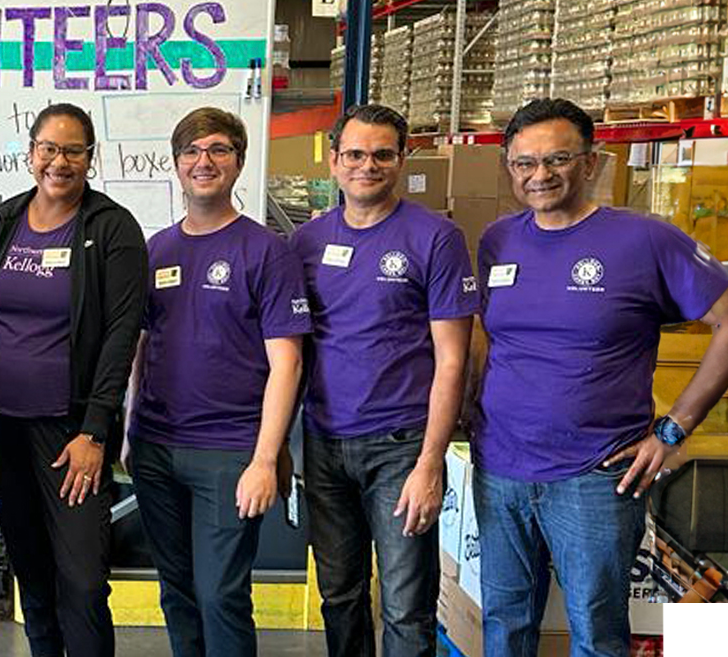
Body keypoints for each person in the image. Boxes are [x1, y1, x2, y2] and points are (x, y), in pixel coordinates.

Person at [474, 98, 728, 655]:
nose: (540, 175)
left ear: (591, 162)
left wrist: (673, 430)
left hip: (595, 475)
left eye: (557, 159)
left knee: (596, 633)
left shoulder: (645, 241)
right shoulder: (498, 241)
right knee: (504, 624)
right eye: (525, 163)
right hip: (500, 470)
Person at [0, 103, 148, 657]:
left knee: (82, 581)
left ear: (91, 157)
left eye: (73, 151)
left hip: (71, 433)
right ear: (30, 152)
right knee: (32, 573)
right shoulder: (1, 222)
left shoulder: (112, 230)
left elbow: (120, 334)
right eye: (49, 149)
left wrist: (95, 431)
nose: (60, 162)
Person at [289, 103, 479, 657]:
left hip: (400, 447)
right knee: (339, 595)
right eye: (354, 154)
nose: (366, 166)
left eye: (381, 155)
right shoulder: (305, 242)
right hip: (323, 444)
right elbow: (291, 351)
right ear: (333, 161)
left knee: (405, 604)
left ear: (401, 160)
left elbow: (453, 359)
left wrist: (428, 463)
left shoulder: (435, 238)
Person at [127, 107, 309, 657]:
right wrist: (131, 435)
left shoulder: (266, 252)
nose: (204, 161)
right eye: (192, 151)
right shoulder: (156, 249)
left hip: (229, 453)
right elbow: (141, 347)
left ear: (239, 162)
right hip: (157, 448)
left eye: (218, 150)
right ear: (177, 165)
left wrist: (263, 458)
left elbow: (288, 364)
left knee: (220, 594)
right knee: (177, 591)